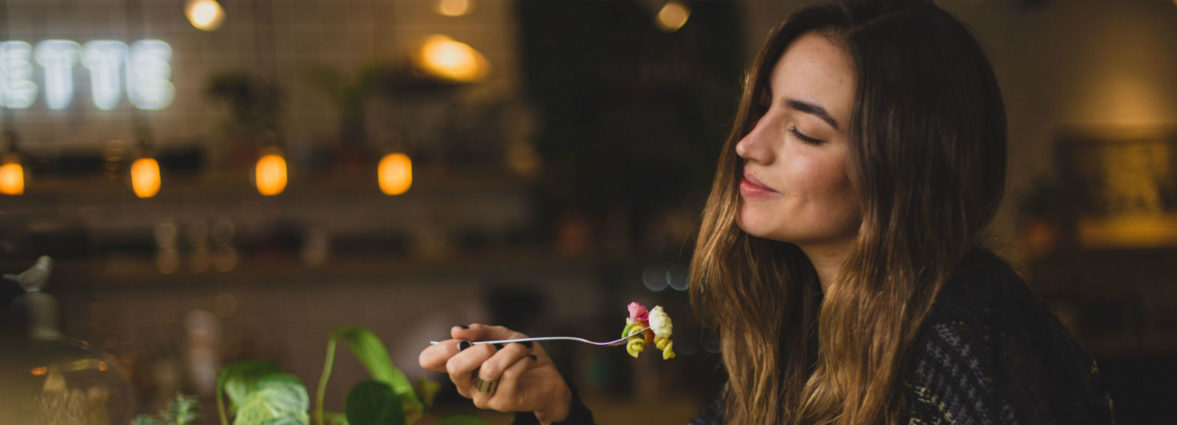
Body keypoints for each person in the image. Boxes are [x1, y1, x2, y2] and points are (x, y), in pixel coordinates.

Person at [420, 0, 1115, 423]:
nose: (749, 145)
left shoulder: (968, 342)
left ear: (905, 171)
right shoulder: (803, 323)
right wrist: (554, 405)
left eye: (806, 131)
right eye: (761, 112)